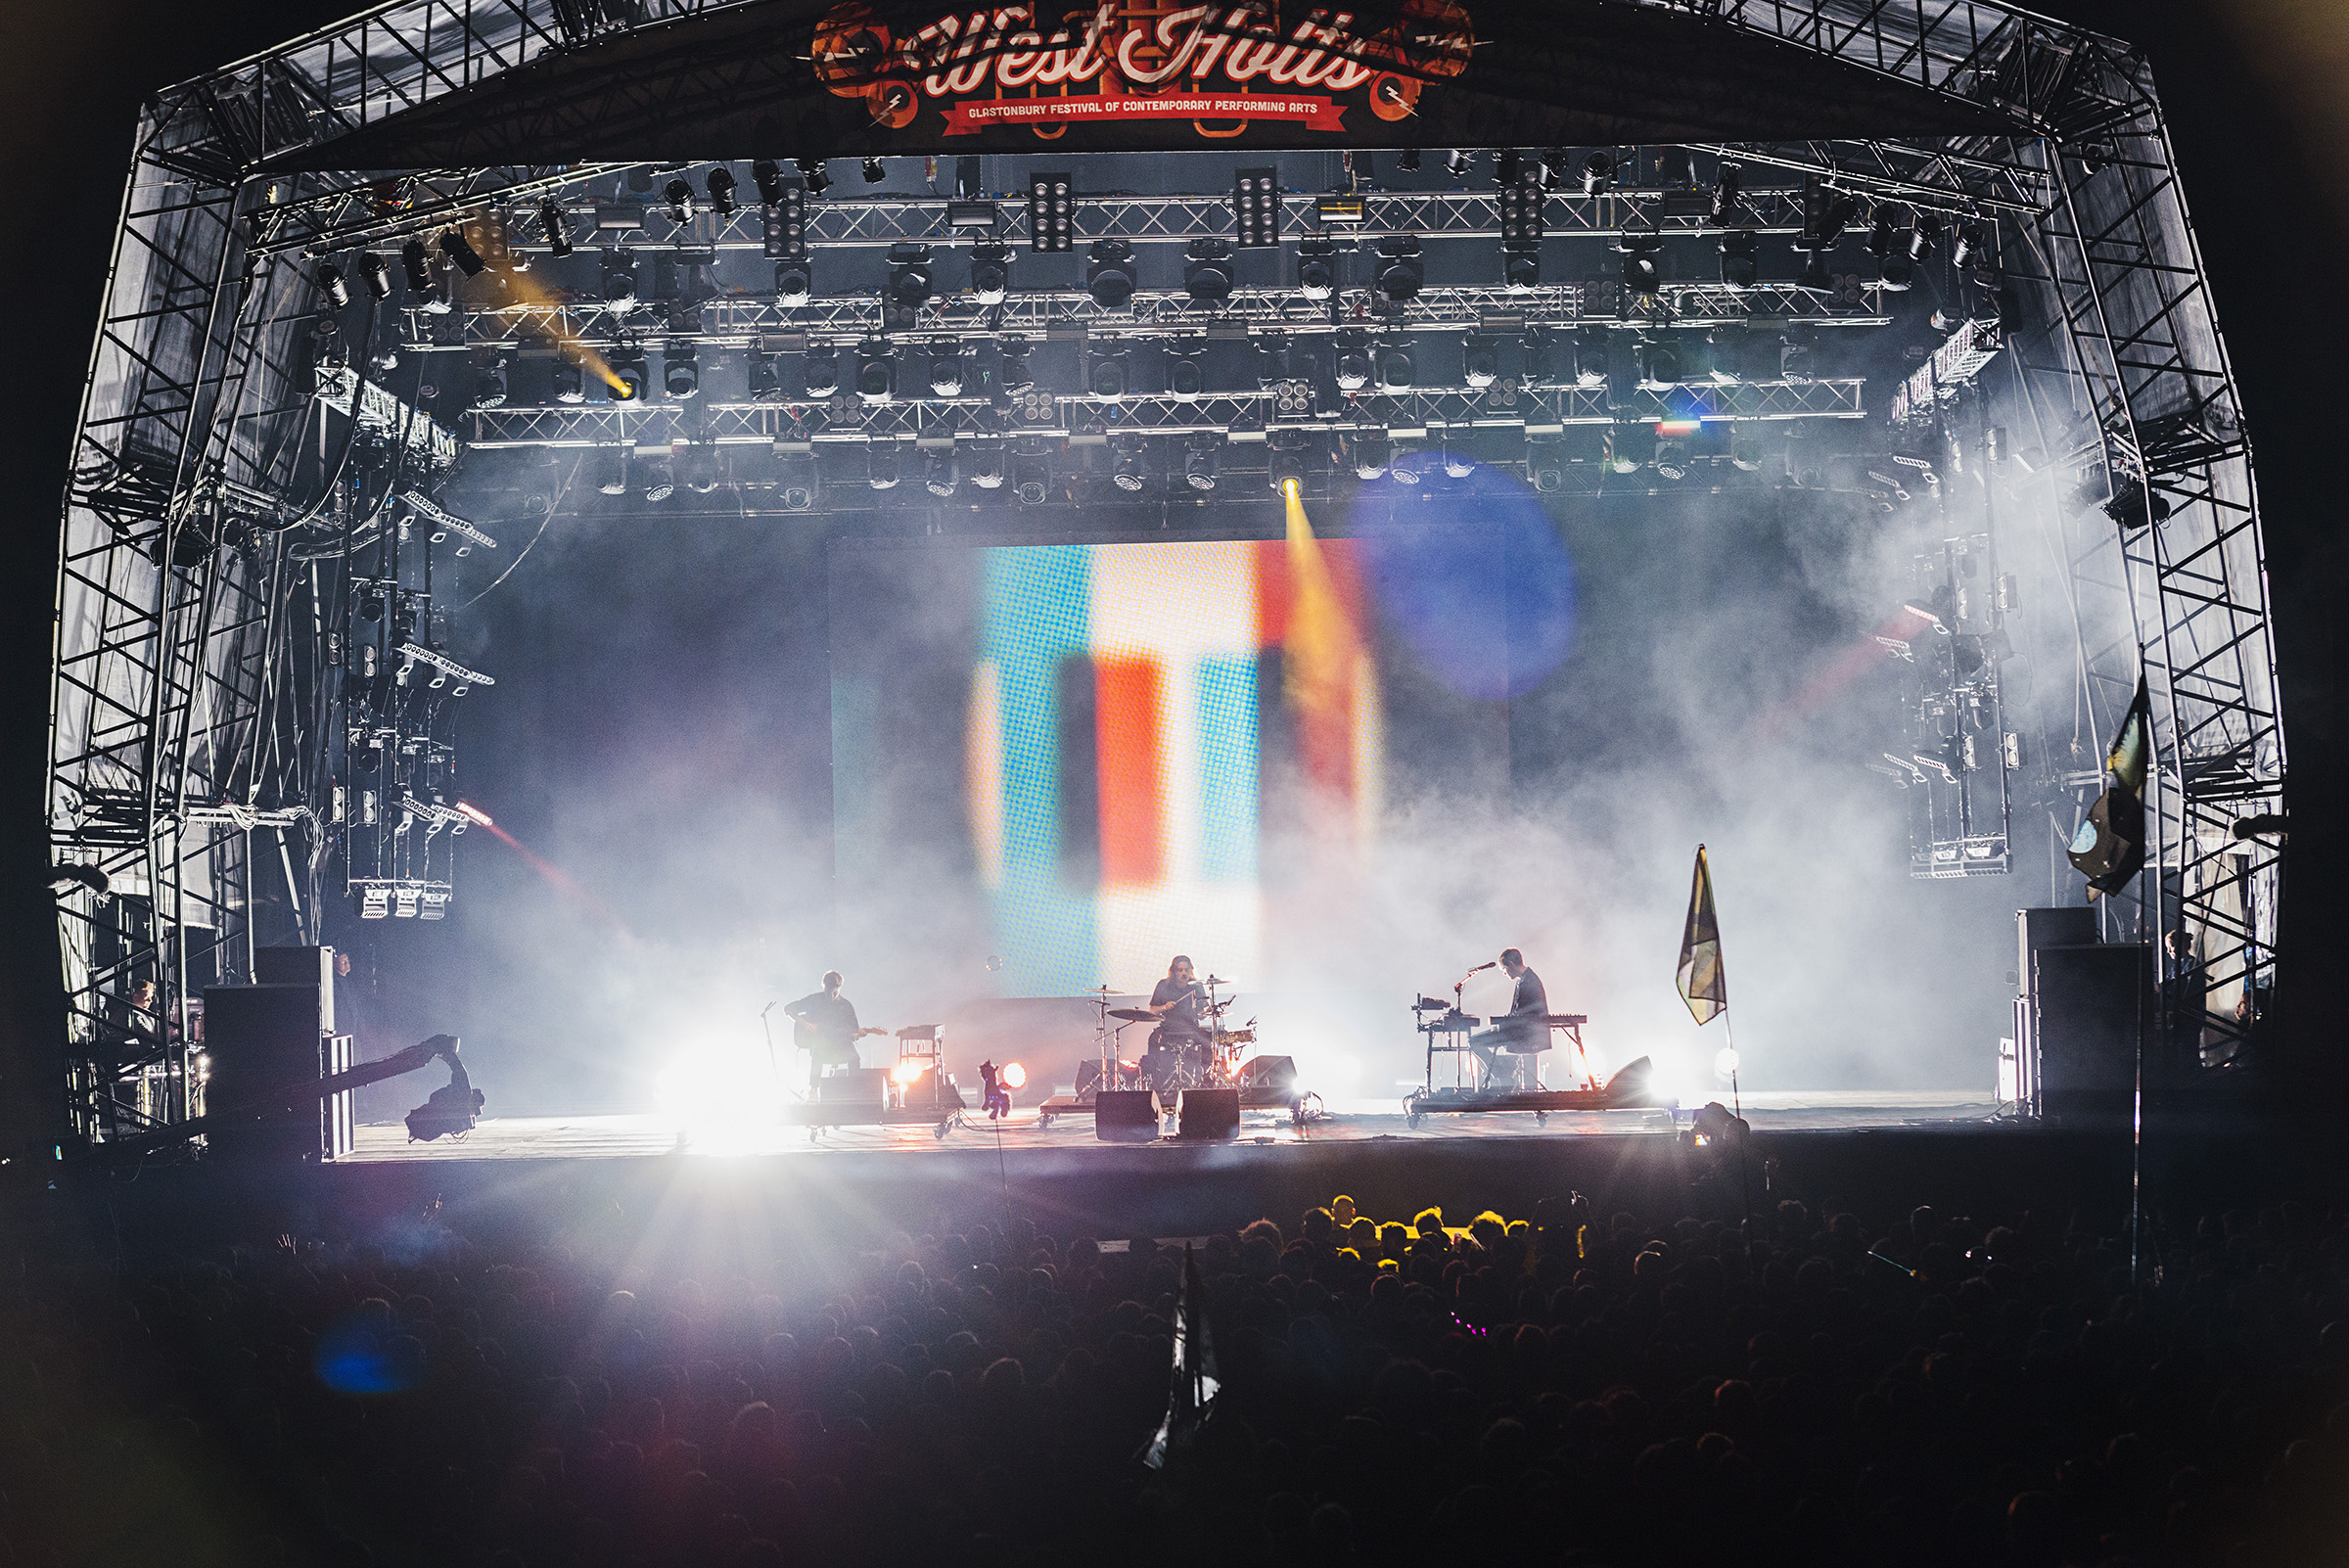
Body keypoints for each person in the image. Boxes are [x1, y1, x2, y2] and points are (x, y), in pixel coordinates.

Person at [784, 971, 879, 1093]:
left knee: (855, 1058)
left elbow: (852, 1034)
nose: (831, 995)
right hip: (822, 1042)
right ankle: (813, 1090)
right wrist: (806, 1024)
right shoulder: (814, 999)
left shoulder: (846, 1006)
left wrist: (859, 1035)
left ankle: (852, 1091)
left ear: (839, 987)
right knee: (818, 1052)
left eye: (834, 991)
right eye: (828, 991)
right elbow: (788, 1009)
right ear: (824, 986)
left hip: (841, 1043)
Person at [1469, 948, 1547, 1087]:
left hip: (1521, 1034)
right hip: (1519, 1030)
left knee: (1474, 1042)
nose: (1504, 974)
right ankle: (1501, 1072)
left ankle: (1501, 1073)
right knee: (1477, 1041)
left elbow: (1524, 1015)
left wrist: (1503, 1025)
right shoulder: (1527, 979)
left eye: (1504, 970)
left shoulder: (1527, 982)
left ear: (1511, 964)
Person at [1143, 955, 1210, 1088]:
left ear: (1191, 970)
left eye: (1186, 970)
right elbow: (1152, 1011)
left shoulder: (1196, 986)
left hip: (1191, 1029)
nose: (1184, 973)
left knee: (1209, 1039)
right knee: (1152, 1039)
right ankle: (1153, 1081)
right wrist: (1164, 1007)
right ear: (1173, 971)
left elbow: (1203, 1013)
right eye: (1180, 970)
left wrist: (1203, 1013)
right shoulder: (1163, 985)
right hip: (1169, 1029)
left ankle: (1206, 1077)